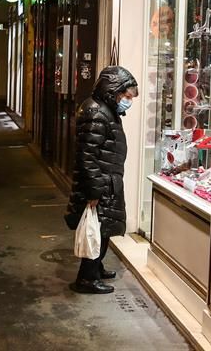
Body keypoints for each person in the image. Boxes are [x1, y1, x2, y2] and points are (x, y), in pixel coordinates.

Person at [65, 65, 139, 294]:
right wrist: (94, 192)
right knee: (98, 230)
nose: (129, 101)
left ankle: (95, 268)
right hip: (101, 184)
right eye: (126, 96)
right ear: (113, 90)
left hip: (107, 182)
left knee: (103, 229)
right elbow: (87, 157)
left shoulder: (105, 110)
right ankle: (86, 279)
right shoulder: (97, 113)